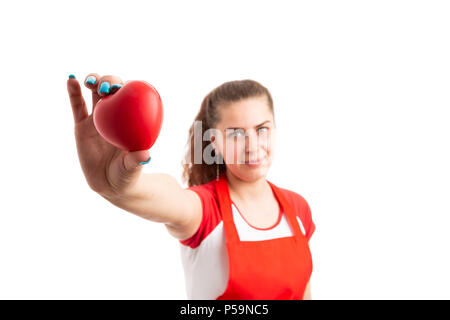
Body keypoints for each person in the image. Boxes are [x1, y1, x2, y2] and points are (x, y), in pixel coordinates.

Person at [66, 73, 315, 300]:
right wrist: (120, 188)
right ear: (214, 143)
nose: (252, 146)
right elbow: (170, 197)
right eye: (235, 134)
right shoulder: (204, 211)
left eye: (262, 129)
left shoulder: (298, 209)